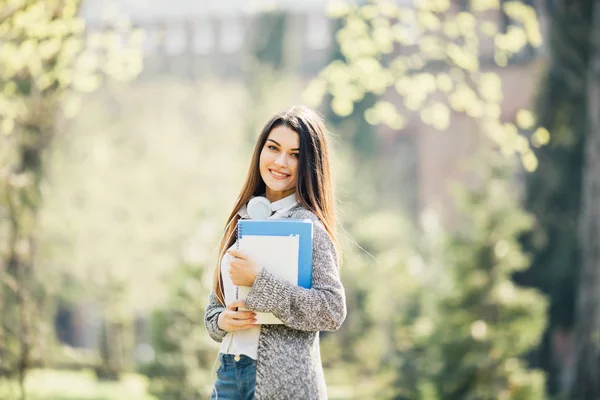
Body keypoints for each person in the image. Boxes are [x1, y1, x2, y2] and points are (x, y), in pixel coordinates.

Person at [204, 106, 347, 399]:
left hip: (282, 385)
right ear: (261, 150)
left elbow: (332, 311)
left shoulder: (308, 226)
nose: (281, 161)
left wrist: (260, 281)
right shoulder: (242, 220)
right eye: (273, 148)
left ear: (309, 163)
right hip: (229, 372)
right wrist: (222, 320)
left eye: (295, 154)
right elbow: (214, 306)